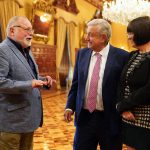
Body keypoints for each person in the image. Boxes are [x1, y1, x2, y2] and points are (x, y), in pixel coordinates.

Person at [64, 18, 129, 150]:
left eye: (90, 35)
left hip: (110, 119)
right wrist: (69, 106)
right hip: (84, 119)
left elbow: (126, 88)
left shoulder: (122, 56)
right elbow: (76, 84)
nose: (86, 38)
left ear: (103, 37)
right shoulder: (82, 54)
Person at [0, 16, 55, 150]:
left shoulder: (25, 50)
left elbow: (30, 77)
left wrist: (43, 80)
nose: (31, 33)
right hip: (12, 123)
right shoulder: (2, 50)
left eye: (32, 29)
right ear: (12, 31)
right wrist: (30, 84)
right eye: (27, 29)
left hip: (27, 120)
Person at [116, 16, 150, 150]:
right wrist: (123, 108)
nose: (128, 37)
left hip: (146, 118)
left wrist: (123, 105)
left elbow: (148, 90)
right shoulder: (132, 55)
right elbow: (121, 83)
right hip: (128, 115)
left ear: (142, 32)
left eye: (131, 33)